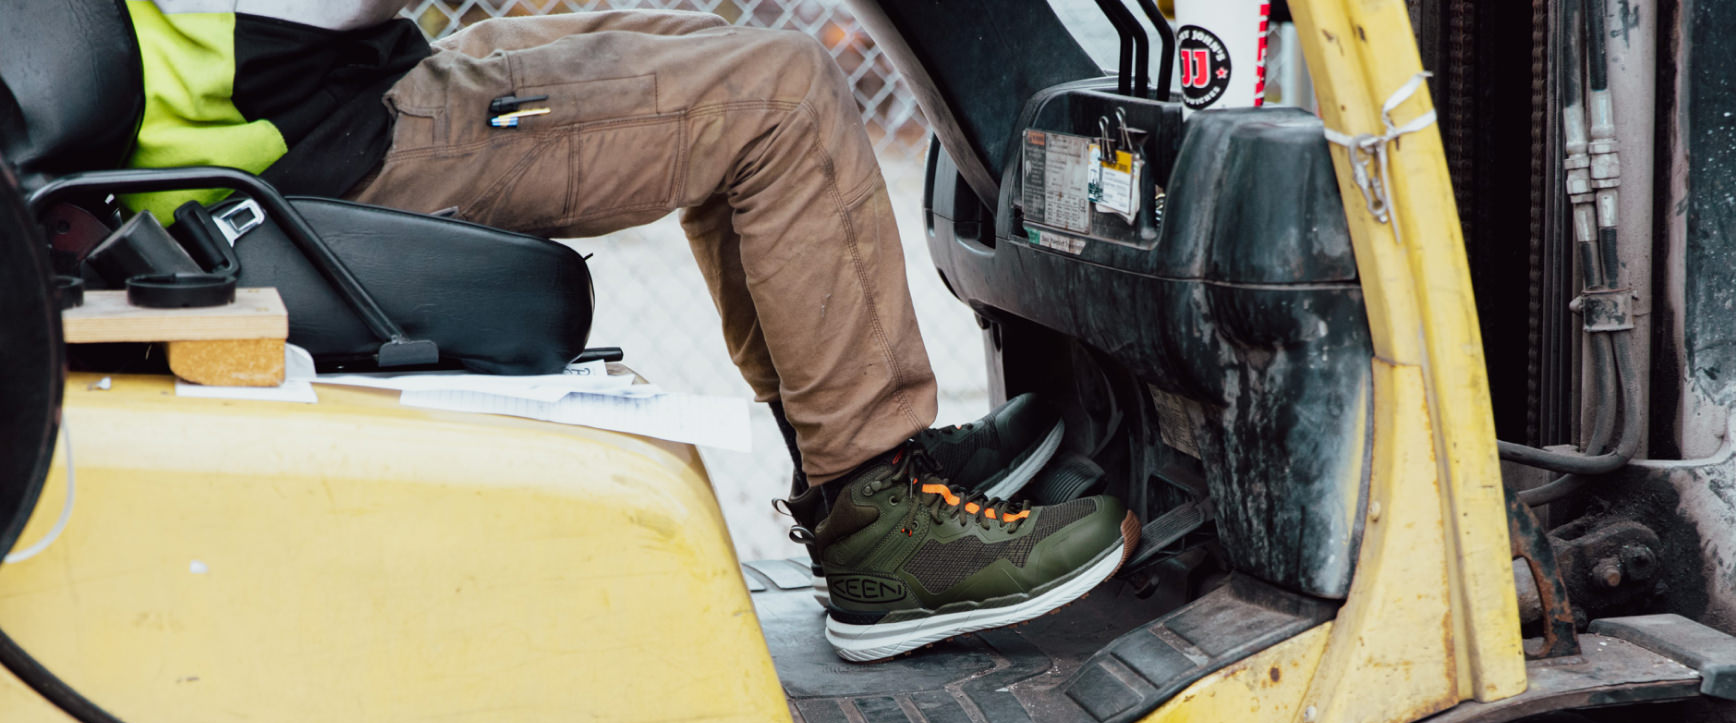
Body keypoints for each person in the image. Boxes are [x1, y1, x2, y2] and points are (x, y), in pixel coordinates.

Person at [123, 2, 1139, 660]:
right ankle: (881, 521)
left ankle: (860, 467)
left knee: (699, 47)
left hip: (307, 90)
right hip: (303, 149)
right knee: (777, 92)